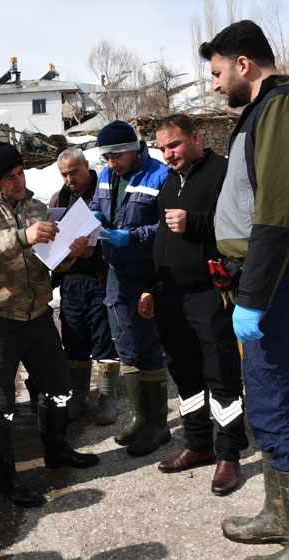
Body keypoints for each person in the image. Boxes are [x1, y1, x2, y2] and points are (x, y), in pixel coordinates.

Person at [200, 20, 289, 560]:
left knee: (276, 406)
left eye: (217, 72)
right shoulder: (264, 108)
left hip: (280, 279)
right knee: (270, 402)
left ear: (243, 64)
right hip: (270, 277)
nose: (215, 84)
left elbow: (278, 212)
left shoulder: (283, 105)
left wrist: (254, 297)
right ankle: (283, 515)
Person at [0, 141, 99, 508]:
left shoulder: (37, 208)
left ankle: (56, 450)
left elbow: (49, 259)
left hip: (38, 314)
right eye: (10, 177)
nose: (19, 181)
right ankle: (6, 477)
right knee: (0, 401)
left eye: (21, 173)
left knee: (59, 388)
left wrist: (71, 253)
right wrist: (24, 236)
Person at [137, 115, 248, 496]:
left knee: (221, 374)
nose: (168, 154)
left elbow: (242, 225)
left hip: (210, 293)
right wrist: (153, 287)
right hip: (172, 296)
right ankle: (198, 444)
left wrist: (196, 222)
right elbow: (162, 243)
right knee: (185, 376)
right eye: (162, 149)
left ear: (195, 138)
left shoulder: (222, 173)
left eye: (175, 145)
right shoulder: (170, 182)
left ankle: (229, 454)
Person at [89, 121, 171, 455]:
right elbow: (97, 206)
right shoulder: (106, 176)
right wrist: (94, 219)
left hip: (146, 273)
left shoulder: (160, 176)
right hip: (116, 272)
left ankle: (158, 426)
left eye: (117, 156)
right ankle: (139, 418)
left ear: (134, 148)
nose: (112, 163)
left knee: (148, 346)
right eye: (107, 157)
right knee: (124, 344)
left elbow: (167, 227)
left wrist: (133, 236)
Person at [48, 147, 119, 423]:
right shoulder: (59, 199)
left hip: (99, 279)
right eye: (64, 175)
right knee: (74, 339)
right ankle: (79, 395)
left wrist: (93, 249)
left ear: (86, 165)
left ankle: (108, 398)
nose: (69, 179)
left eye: (73, 172)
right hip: (70, 282)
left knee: (104, 339)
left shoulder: (104, 192)